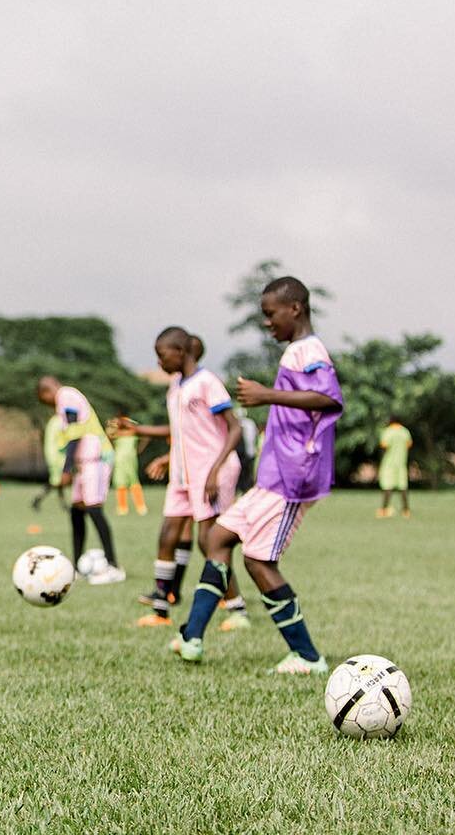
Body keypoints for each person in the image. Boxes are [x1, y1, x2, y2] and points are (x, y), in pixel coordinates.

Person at [169, 276, 342, 674]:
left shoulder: (308, 350)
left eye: (270, 314)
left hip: (295, 477)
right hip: (275, 476)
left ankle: (308, 656)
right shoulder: (296, 351)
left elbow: (329, 399)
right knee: (217, 537)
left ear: (294, 308)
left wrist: (267, 395)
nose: (267, 323)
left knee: (259, 562)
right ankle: (191, 636)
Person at [117, 328, 248, 630]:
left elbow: (235, 427)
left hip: (210, 472)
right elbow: (180, 430)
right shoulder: (176, 386)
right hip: (183, 473)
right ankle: (161, 609)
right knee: (167, 534)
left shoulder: (207, 383)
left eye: (162, 356)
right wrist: (145, 436)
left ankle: (237, 610)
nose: (159, 363)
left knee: (209, 541)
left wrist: (215, 470)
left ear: (180, 351)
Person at [36, 376, 124, 584]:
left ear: (46, 392)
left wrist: (66, 470)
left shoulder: (66, 396)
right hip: (83, 463)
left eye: (44, 400)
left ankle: (113, 566)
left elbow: (75, 434)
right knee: (77, 510)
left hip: (96, 458)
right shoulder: (64, 400)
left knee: (93, 508)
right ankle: (74, 567)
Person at [107, 408, 148, 516]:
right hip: (119, 459)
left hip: (131, 459)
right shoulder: (113, 426)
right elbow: (109, 436)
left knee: (134, 481)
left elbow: (144, 435)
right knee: (120, 482)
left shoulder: (132, 425)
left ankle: (140, 506)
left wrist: (139, 449)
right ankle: (122, 507)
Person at [30, 412, 68, 512]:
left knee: (59, 482)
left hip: (54, 456)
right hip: (57, 457)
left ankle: (63, 504)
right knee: (55, 481)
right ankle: (37, 499)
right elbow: (63, 440)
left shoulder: (54, 421)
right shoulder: (60, 422)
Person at [376, 416, 413, 519]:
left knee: (387, 486)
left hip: (389, 463)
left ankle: (383, 509)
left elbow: (383, 446)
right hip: (401, 463)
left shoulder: (388, 431)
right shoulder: (405, 431)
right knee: (403, 487)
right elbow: (409, 445)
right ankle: (406, 510)